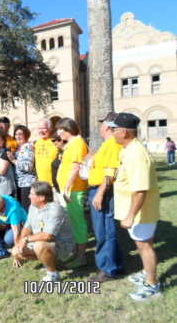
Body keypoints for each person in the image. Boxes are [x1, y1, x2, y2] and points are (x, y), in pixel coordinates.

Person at [108, 112, 161, 300]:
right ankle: (148, 274)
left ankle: (152, 284)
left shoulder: (136, 154)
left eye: (114, 129)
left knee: (145, 246)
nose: (111, 132)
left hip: (140, 211)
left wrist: (130, 215)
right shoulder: (130, 149)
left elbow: (140, 190)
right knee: (145, 244)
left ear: (124, 132)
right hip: (138, 210)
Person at [12, 182, 75, 281]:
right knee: (15, 251)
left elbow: (48, 236)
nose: (28, 196)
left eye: (32, 194)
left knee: (39, 246)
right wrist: (21, 243)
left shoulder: (55, 209)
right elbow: (27, 227)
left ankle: (53, 274)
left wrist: (26, 239)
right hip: (46, 243)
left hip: (63, 247)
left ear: (41, 197)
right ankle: (47, 261)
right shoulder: (33, 207)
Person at [87, 113, 124, 282]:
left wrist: (100, 193)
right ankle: (115, 264)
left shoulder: (112, 145)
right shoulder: (107, 145)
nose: (99, 127)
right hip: (99, 189)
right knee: (106, 230)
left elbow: (111, 172)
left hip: (103, 191)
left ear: (107, 126)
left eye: (101, 124)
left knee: (104, 231)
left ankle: (108, 269)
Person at [56, 117, 89, 268]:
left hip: (74, 191)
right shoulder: (72, 144)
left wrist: (67, 188)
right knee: (74, 223)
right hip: (70, 190)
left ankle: (82, 257)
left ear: (67, 129)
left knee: (78, 223)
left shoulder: (77, 143)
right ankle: (77, 253)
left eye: (60, 130)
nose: (58, 133)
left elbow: (75, 167)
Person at [7, 125, 36, 211]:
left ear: (26, 135)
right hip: (20, 184)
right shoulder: (18, 148)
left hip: (27, 183)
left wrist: (14, 160)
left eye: (20, 134)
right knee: (23, 209)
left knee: (27, 210)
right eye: (16, 134)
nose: (18, 136)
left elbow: (28, 167)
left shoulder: (28, 147)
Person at [35, 119, 59, 187]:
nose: (41, 131)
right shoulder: (36, 143)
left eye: (43, 128)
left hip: (54, 184)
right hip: (41, 184)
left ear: (50, 128)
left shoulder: (56, 142)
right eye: (39, 128)